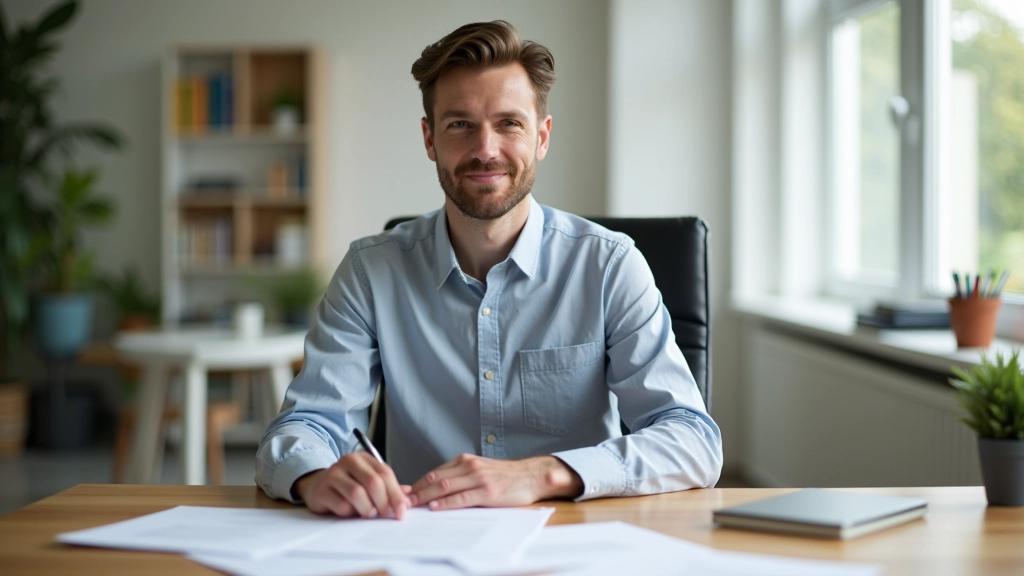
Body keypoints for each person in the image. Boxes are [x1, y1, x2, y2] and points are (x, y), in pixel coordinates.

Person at [255, 20, 722, 520]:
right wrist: (315, 475)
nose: (485, 149)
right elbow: (305, 425)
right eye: (459, 124)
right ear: (429, 138)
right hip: (421, 542)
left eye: (509, 123)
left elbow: (691, 438)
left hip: (574, 541)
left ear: (542, 137)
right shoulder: (371, 272)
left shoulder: (610, 266)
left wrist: (542, 474)